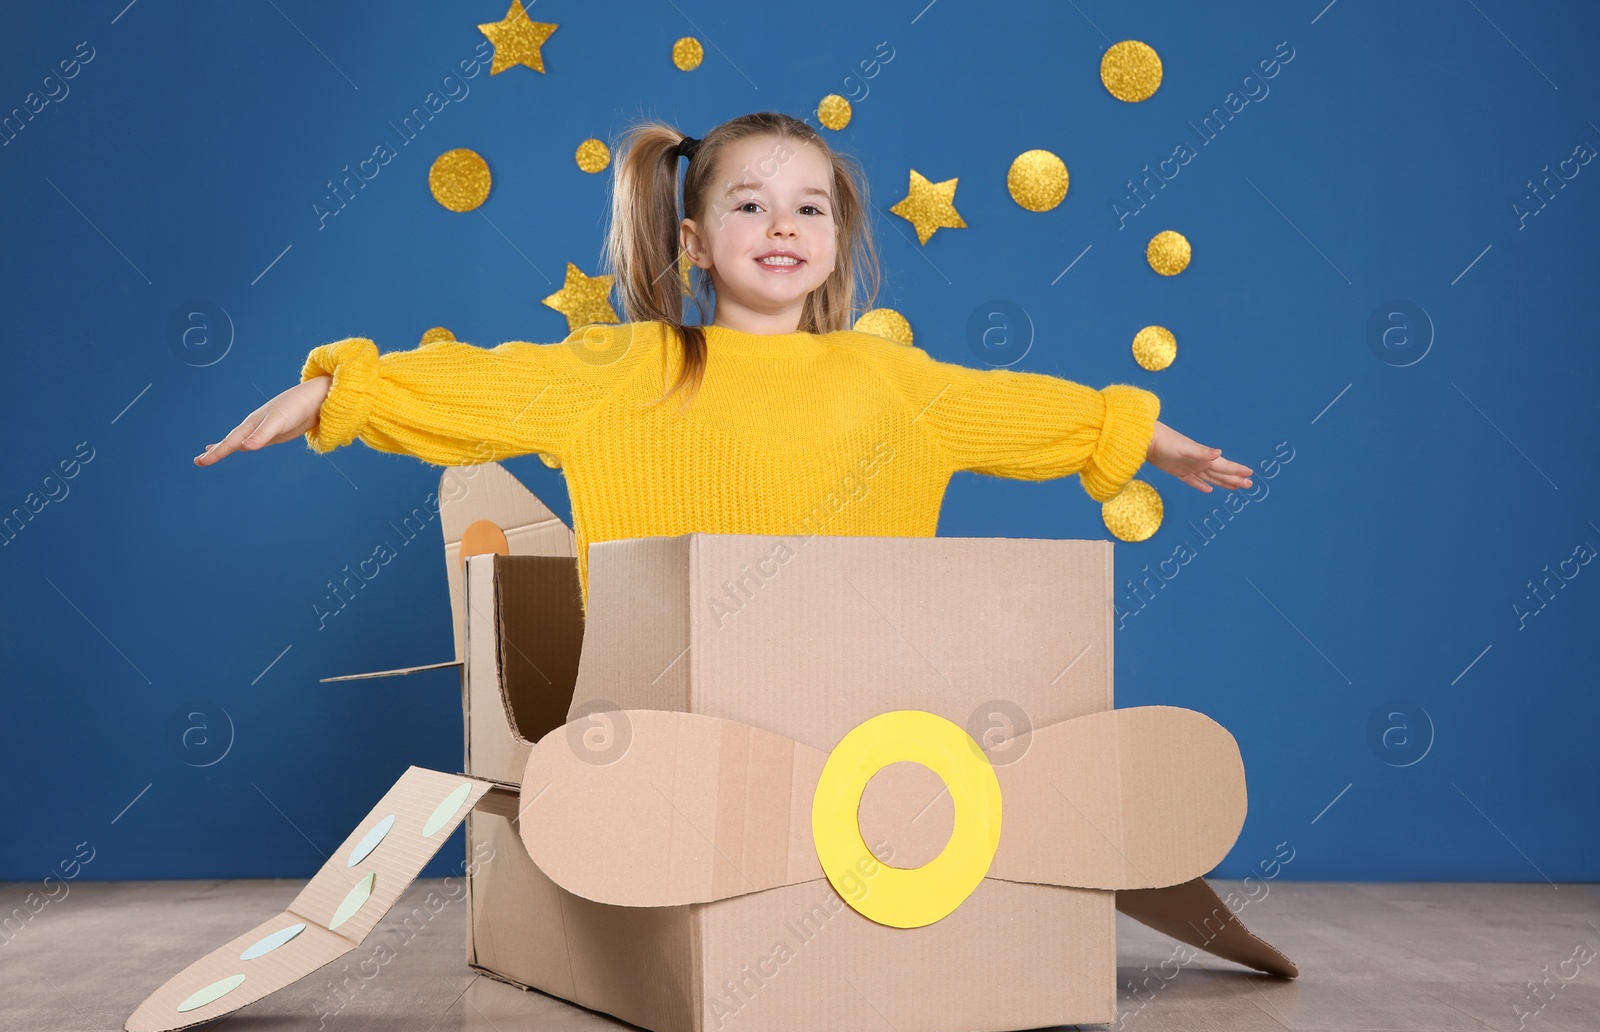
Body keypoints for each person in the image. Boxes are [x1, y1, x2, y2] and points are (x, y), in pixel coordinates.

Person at [193, 111, 1251, 611]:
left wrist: (1145, 437)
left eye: (809, 208)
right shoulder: (629, 364)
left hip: (854, 693)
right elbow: (488, 383)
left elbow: (1021, 411)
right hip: (665, 697)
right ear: (695, 241)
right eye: (749, 204)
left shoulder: (892, 380)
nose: (781, 226)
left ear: (837, 237)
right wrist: (337, 389)